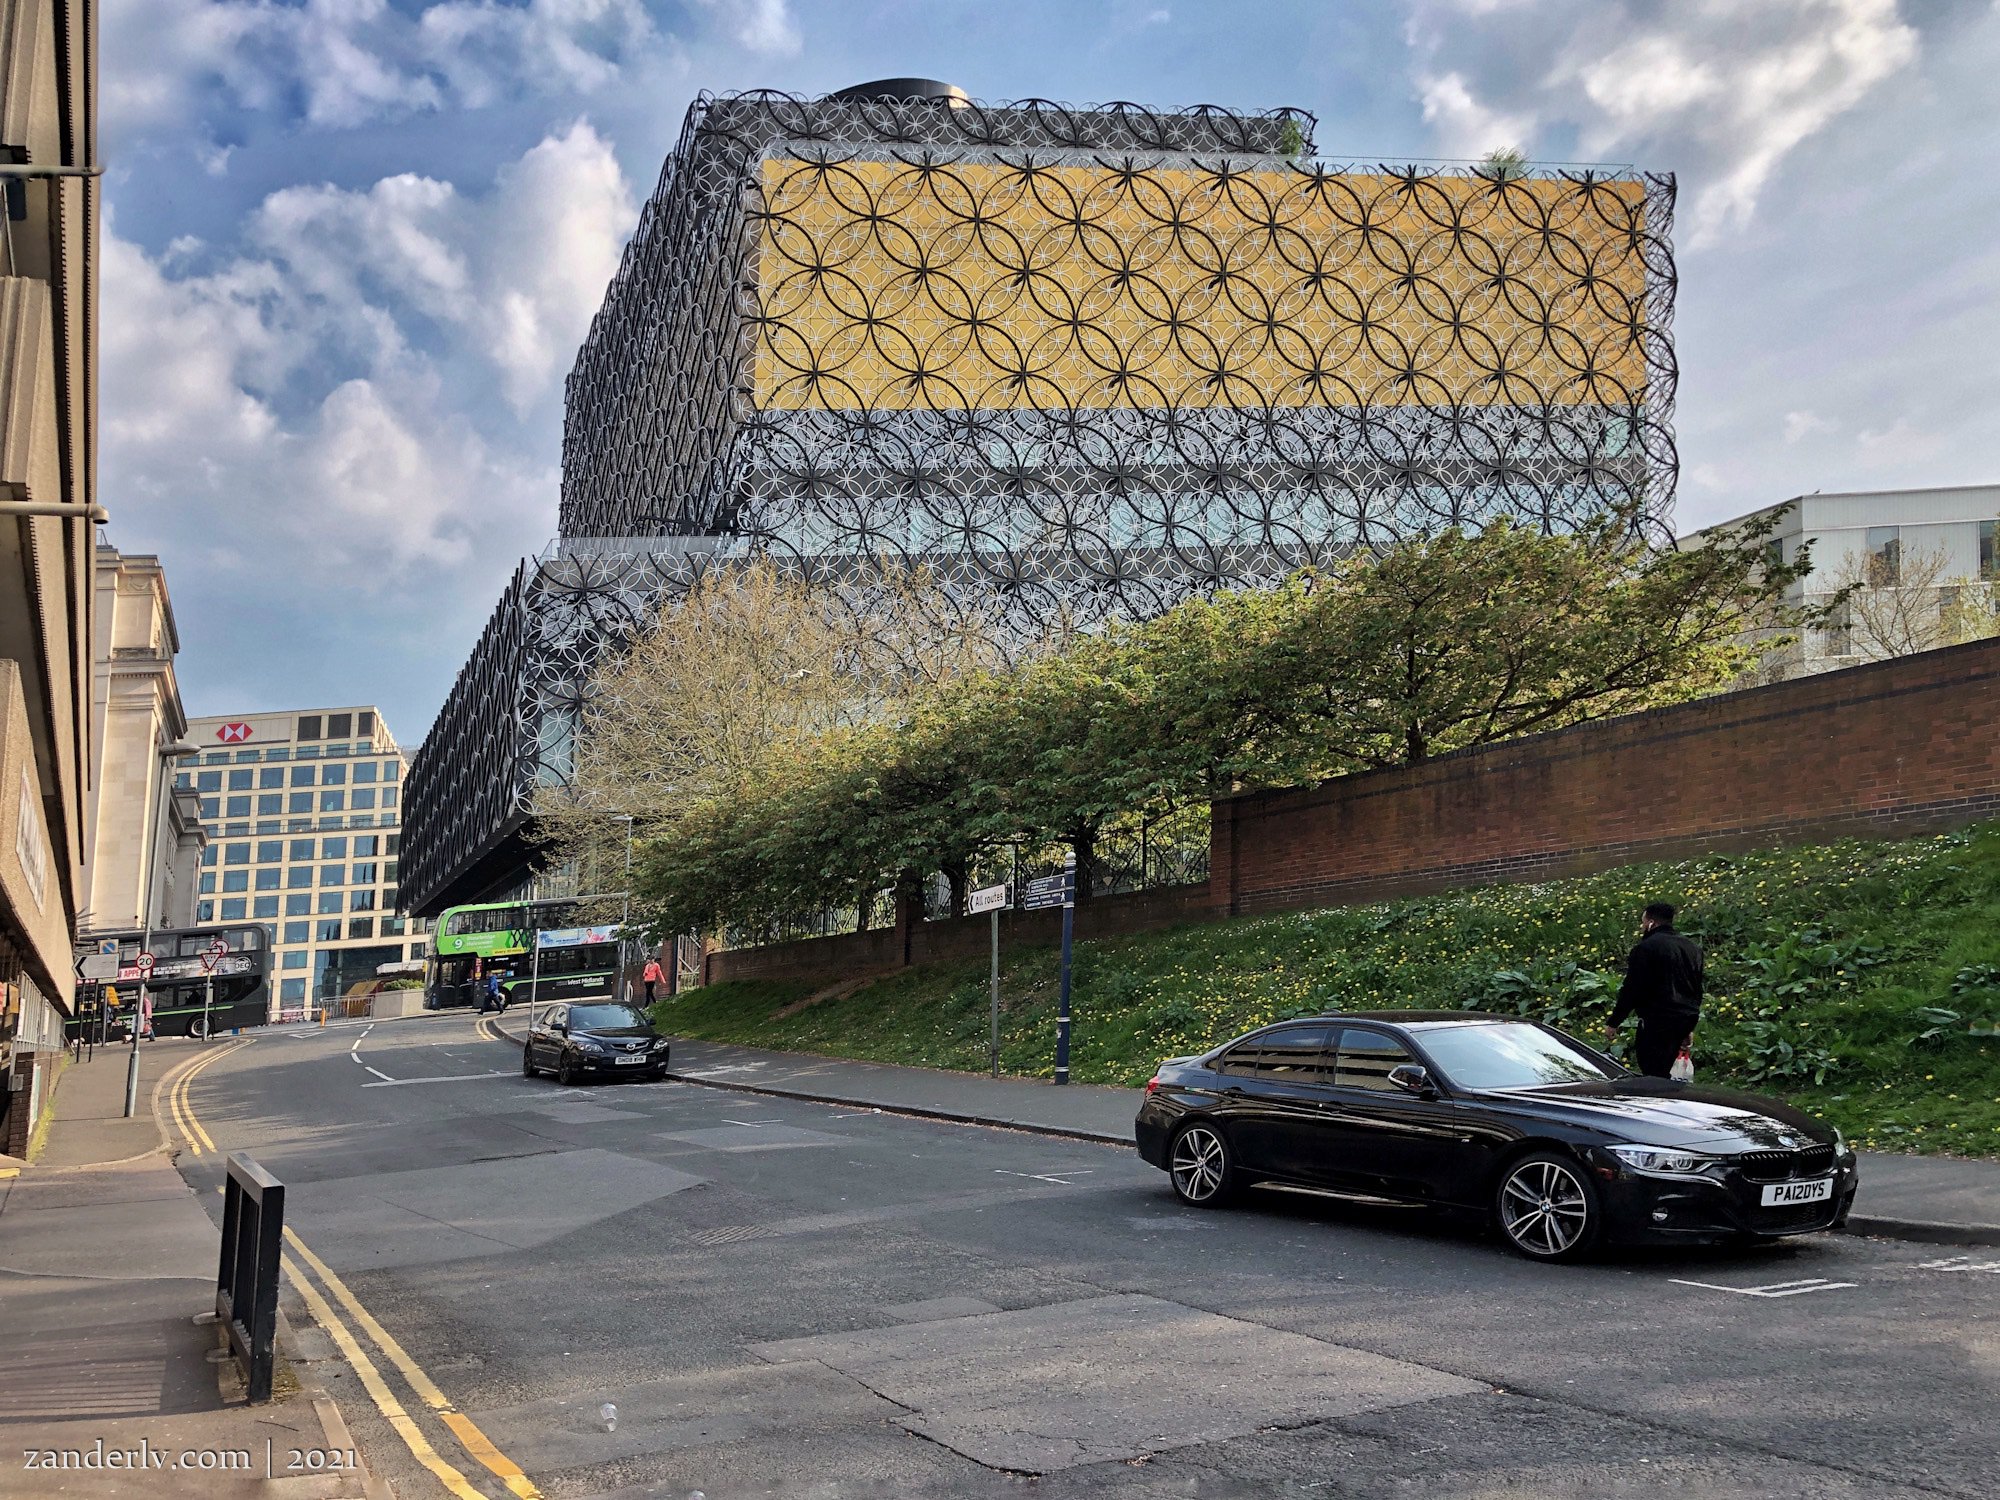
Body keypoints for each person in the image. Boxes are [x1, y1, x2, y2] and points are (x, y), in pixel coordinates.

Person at [1607, 901, 1704, 1079]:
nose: (1642, 927)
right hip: (1686, 1018)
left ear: (1651, 923)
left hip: (1657, 1020)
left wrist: (1614, 1021)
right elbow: (1696, 987)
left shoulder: (1646, 949)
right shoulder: (1692, 948)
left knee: (1652, 1070)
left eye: (1643, 922)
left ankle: (1657, 1095)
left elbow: (1632, 988)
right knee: (1669, 1069)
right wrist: (1688, 1027)